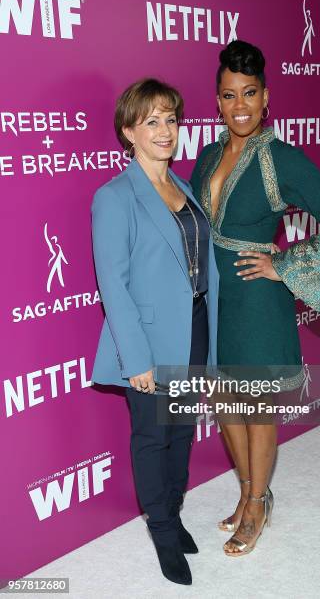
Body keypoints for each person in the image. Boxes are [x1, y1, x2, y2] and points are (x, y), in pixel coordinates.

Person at [190, 40, 320, 556]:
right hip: (215, 299)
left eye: (249, 94)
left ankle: (260, 502)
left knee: (256, 406)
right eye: (228, 95)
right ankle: (245, 495)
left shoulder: (281, 158)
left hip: (257, 300)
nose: (239, 106)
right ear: (216, 101)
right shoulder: (208, 154)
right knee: (225, 402)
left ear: (267, 97)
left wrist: (283, 264)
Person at [91, 78, 219, 585]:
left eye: (170, 119)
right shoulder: (115, 197)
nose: (165, 131)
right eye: (151, 122)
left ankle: (174, 511)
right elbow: (113, 286)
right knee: (153, 436)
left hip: (195, 328)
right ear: (129, 131)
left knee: (183, 432)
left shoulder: (183, 187)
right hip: (147, 339)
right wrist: (135, 359)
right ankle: (163, 533)